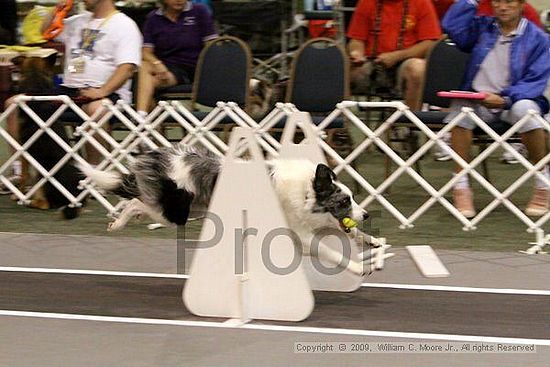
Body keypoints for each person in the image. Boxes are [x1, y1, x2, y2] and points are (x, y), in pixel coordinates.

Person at [1, 0, 142, 184]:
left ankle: (94, 173)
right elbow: (44, 31)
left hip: (106, 90)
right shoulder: (77, 21)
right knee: (14, 104)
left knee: (97, 109)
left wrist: (102, 91)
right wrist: (58, 9)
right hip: (69, 89)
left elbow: (127, 67)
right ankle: (19, 170)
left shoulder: (125, 25)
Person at [442, 0, 550, 218]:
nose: (502, 7)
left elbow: (536, 79)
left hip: (514, 101)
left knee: (525, 110)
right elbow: (452, 27)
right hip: (480, 101)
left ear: (521, 5)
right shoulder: (482, 27)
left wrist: (505, 99)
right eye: (497, 1)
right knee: (461, 108)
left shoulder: (539, 39)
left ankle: (543, 182)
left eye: (509, 1)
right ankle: (461, 184)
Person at [346, 0, 442, 110]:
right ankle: (339, 121)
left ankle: (410, 121)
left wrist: (397, 56)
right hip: (371, 62)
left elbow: (429, 43)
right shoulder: (366, 2)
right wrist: (356, 53)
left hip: (406, 62)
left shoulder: (422, 3)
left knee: (418, 68)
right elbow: (356, 39)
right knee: (341, 67)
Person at [135, 0, 217, 116]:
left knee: (145, 87)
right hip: (165, 69)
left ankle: (141, 120)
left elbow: (212, 45)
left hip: (192, 69)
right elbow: (145, 52)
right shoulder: (153, 18)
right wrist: (157, 64)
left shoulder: (199, 11)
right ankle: (143, 117)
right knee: (145, 72)